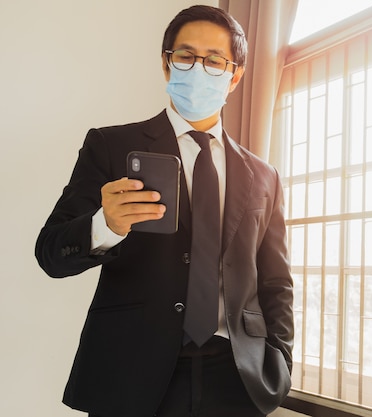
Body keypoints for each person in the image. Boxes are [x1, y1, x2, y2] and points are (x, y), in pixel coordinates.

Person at [35, 5, 293, 417]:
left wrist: (280, 356)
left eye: (214, 60)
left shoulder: (265, 175)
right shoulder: (110, 146)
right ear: (166, 63)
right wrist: (106, 225)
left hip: (237, 374)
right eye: (186, 56)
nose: (198, 68)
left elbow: (276, 281)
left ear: (235, 75)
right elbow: (50, 253)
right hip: (130, 368)